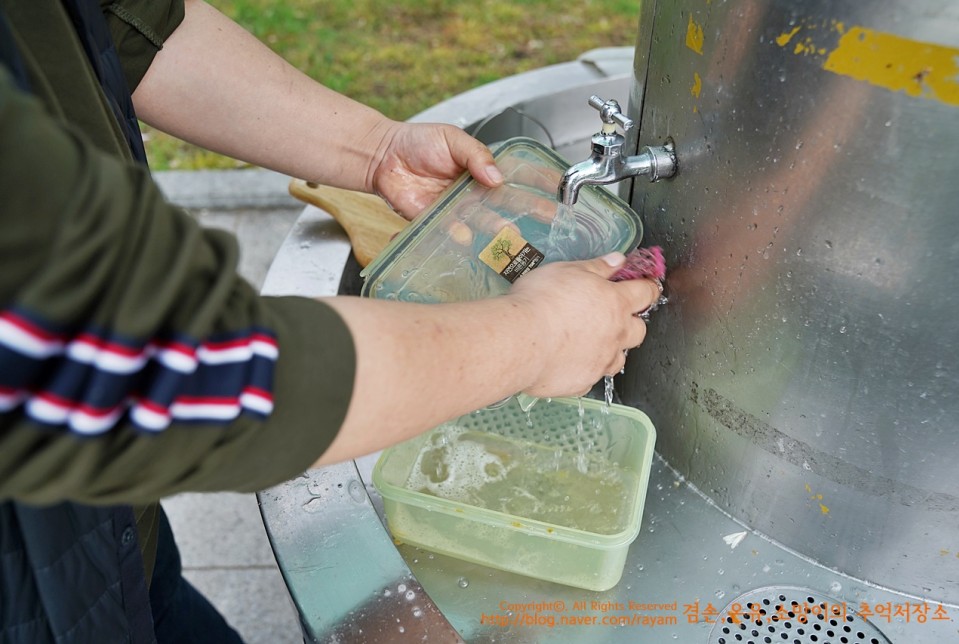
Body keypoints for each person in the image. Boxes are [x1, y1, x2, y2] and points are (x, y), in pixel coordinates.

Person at [0, 1, 660, 642]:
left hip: (107, 541)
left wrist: (379, 153)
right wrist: (536, 337)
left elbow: (129, 20)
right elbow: (181, 368)